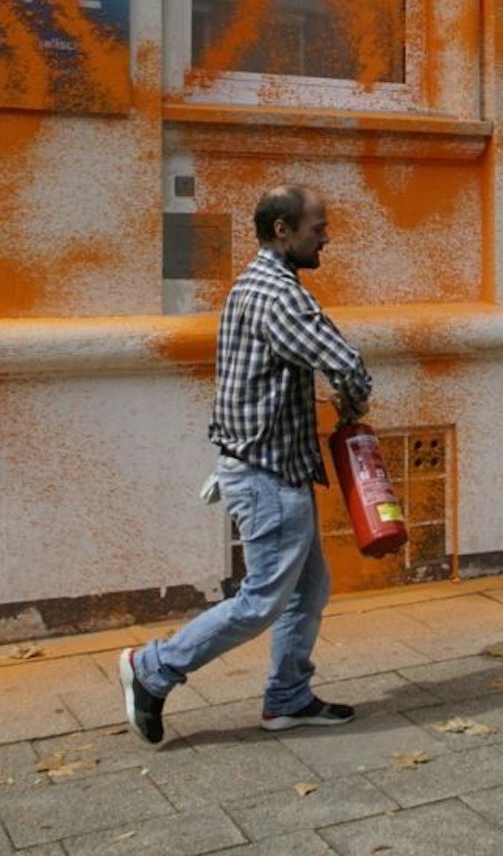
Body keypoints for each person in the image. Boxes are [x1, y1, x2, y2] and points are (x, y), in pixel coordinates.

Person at [120, 185, 373, 745]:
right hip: (267, 475)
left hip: (266, 465)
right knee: (262, 599)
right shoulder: (280, 296)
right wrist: (356, 399)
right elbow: (344, 361)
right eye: (317, 227)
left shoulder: (253, 284)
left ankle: (287, 698)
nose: (325, 237)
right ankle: (153, 669)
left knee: (307, 592)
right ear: (282, 230)